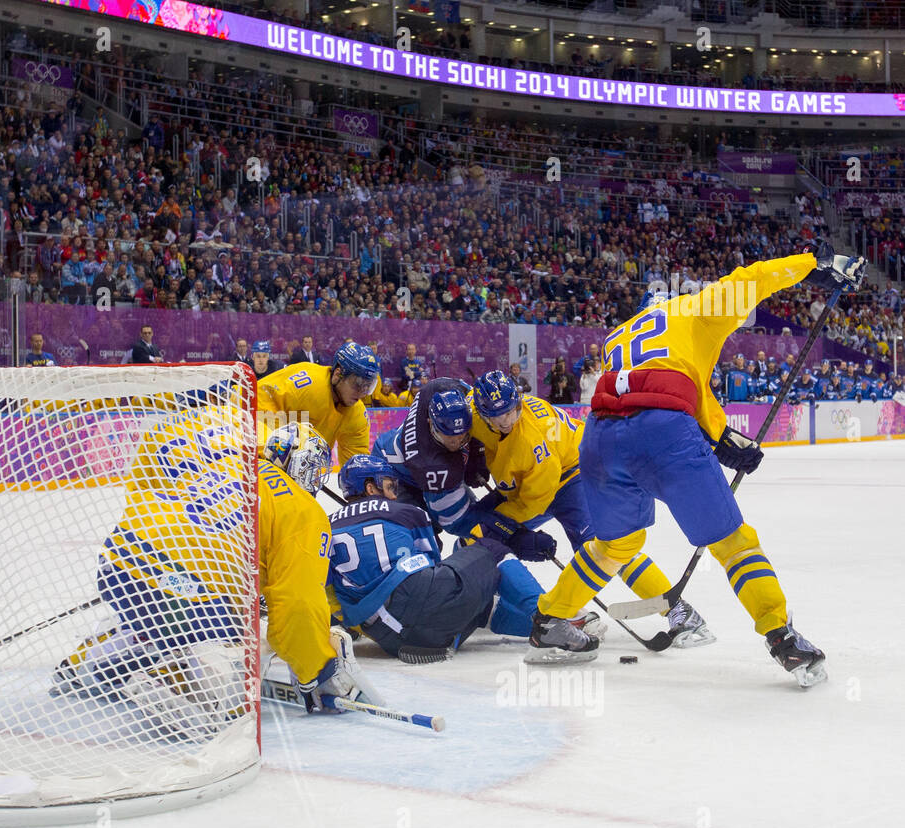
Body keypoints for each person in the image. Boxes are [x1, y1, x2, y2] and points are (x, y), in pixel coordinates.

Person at [531, 245, 865, 685]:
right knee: (733, 542)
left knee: (615, 546)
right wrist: (814, 266)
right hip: (662, 434)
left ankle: (548, 621)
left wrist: (722, 437)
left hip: (598, 435)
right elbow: (752, 277)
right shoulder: (690, 309)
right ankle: (782, 638)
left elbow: (673, 380)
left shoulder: (620, 335)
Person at [52, 419, 377, 717]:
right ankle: (173, 682)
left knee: (168, 611)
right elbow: (299, 604)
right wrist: (315, 670)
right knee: (231, 658)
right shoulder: (303, 508)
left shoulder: (229, 465)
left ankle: (86, 665)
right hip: (181, 587)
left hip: (121, 559)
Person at [467, 370, 712, 646]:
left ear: (519, 401)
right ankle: (497, 606)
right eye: (497, 416)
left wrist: (504, 524)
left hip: (578, 473)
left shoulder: (531, 443)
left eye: (511, 412)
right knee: (475, 533)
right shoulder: (474, 410)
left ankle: (679, 610)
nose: (506, 421)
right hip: (539, 480)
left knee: (606, 548)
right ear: (481, 411)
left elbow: (533, 502)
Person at [327, 455, 601, 664]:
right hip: (421, 606)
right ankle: (551, 620)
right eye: (388, 486)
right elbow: (431, 564)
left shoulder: (326, 527)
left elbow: (327, 593)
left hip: (392, 639)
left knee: (478, 600)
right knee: (488, 550)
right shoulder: (405, 512)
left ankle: (551, 622)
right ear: (370, 486)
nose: (392, 493)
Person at [371, 378, 487, 539]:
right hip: (394, 472)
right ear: (430, 424)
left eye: (463, 437)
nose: (456, 443)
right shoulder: (430, 464)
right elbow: (454, 521)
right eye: (449, 437)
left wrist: (478, 453)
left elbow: (470, 394)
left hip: (414, 465)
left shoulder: (436, 390)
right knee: (425, 540)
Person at [256, 342, 379, 463]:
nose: (362, 393)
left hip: (298, 469)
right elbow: (258, 402)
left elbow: (355, 465)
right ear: (337, 374)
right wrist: (275, 452)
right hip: (254, 455)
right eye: (357, 383)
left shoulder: (357, 415)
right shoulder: (306, 383)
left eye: (368, 386)